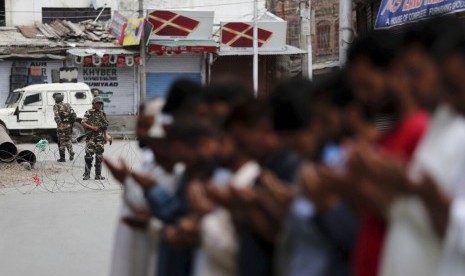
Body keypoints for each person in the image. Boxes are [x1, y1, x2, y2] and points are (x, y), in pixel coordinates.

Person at [81, 96, 109, 180]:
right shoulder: (89, 112)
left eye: (100, 103)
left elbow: (104, 126)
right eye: (97, 103)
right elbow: (83, 122)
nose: (99, 105)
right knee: (88, 156)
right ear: (93, 104)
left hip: (100, 138)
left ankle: (98, 175)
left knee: (99, 156)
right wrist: (93, 128)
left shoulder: (103, 113)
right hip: (91, 137)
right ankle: (87, 174)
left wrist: (105, 137)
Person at [53, 93, 75, 162]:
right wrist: (70, 123)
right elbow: (73, 114)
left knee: (61, 140)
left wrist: (59, 124)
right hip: (69, 125)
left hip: (61, 126)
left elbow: (56, 116)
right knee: (68, 139)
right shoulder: (67, 105)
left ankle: (62, 158)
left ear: (56, 99)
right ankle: (71, 152)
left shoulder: (56, 106)